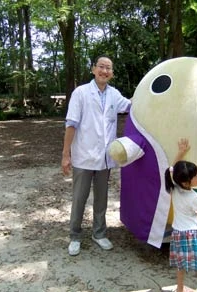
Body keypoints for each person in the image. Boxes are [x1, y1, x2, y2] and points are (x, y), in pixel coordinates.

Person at [61, 55, 131, 256]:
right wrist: (66, 154)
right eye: (101, 67)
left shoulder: (114, 94)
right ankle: (75, 236)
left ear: (112, 73)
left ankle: (99, 233)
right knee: (79, 198)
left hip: (104, 157)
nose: (105, 71)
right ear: (93, 69)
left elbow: (130, 106)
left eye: (108, 68)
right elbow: (71, 123)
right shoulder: (81, 93)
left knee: (101, 199)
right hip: (83, 156)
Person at [164, 138, 197, 292]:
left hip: (178, 233)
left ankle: (179, 288)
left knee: (181, 263)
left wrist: (180, 153)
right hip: (194, 233)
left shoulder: (174, 189)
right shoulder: (194, 196)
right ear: (186, 182)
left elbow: (172, 169)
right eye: (196, 176)